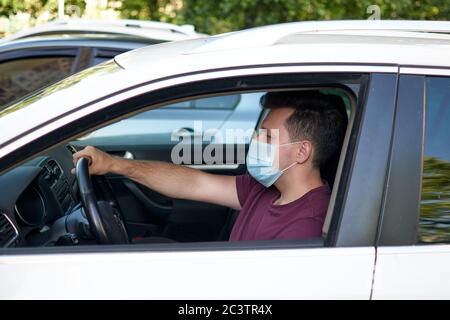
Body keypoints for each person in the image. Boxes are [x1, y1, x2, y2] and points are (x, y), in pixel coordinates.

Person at [72, 91, 347, 241]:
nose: (255, 140)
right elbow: (194, 183)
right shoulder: (266, 187)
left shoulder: (305, 229)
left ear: (301, 151)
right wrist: (116, 165)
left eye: (267, 135)